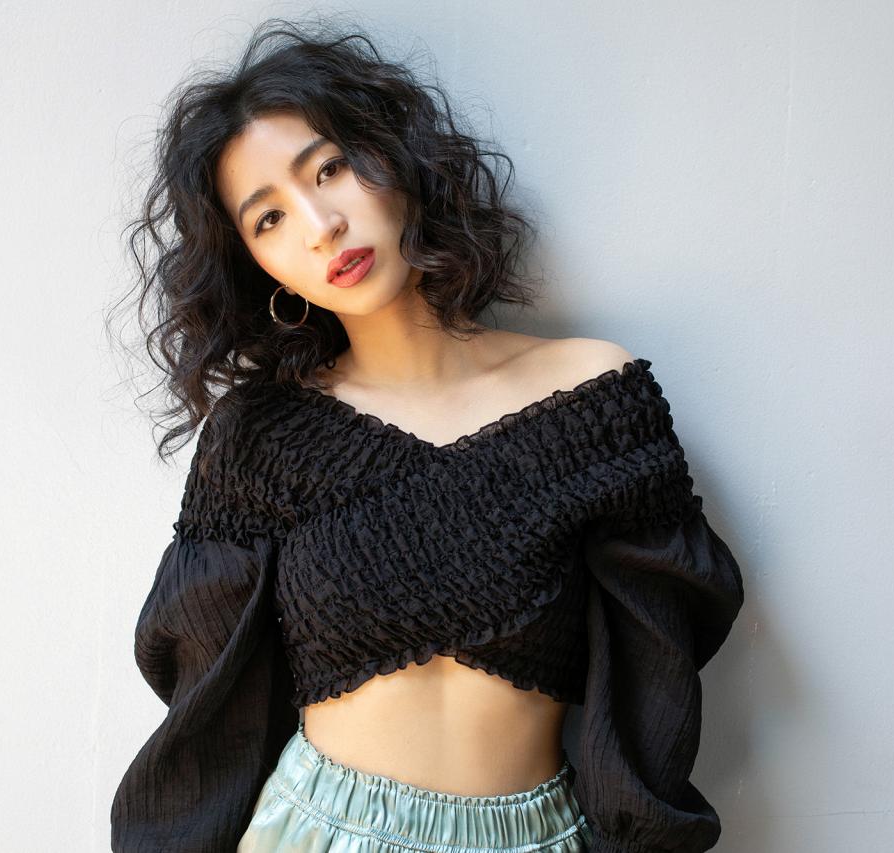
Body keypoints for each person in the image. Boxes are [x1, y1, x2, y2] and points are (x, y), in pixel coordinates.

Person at [108, 15, 745, 853]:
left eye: (330, 169)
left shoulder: (594, 397)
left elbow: (654, 676)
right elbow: (212, 709)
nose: (320, 225)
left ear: (394, 157)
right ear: (257, 265)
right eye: (269, 220)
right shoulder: (261, 435)